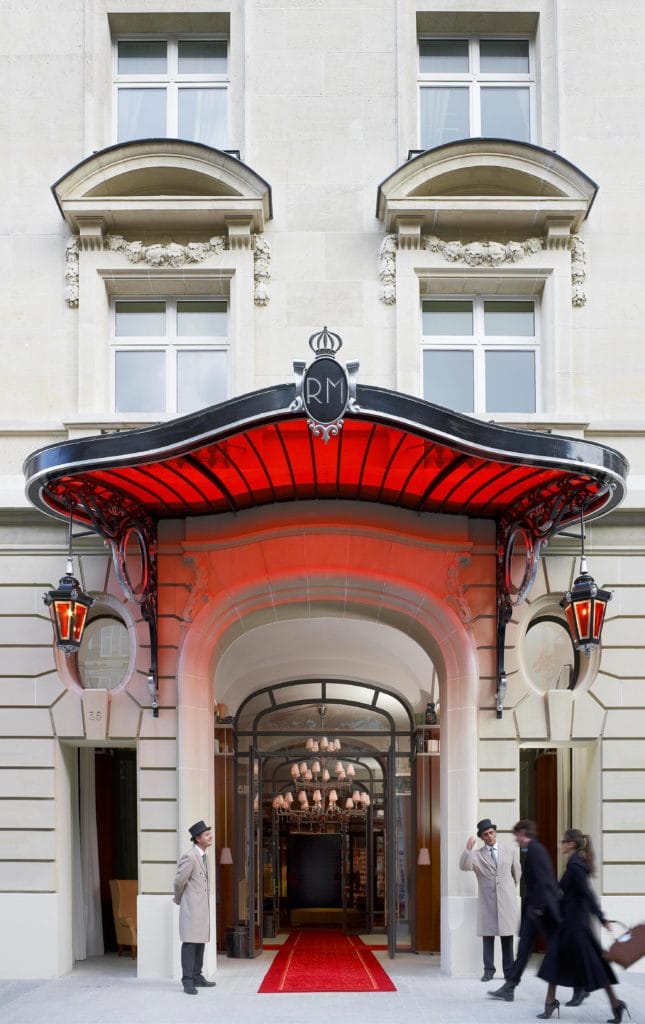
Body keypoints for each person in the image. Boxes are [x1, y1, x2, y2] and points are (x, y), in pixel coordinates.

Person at [535, 829, 626, 1022]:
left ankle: (616, 1004)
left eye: (563, 841)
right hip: (569, 922)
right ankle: (550, 1001)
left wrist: (602, 918)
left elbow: (587, 893)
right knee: (555, 959)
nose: (561, 845)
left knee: (594, 966)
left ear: (571, 844)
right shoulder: (574, 862)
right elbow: (569, 894)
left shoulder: (575, 864)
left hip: (576, 926)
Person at [488, 819, 561, 1002]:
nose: (516, 839)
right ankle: (510, 987)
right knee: (523, 950)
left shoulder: (536, 851)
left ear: (523, 833)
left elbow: (545, 882)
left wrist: (540, 909)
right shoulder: (533, 850)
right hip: (535, 911)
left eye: (517, 835)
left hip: (541, 911)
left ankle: (581, 985)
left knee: (558, 949)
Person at [459, 818, 521, 981]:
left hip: (506, 901)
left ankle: (509, 972)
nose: (490, 836)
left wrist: (507, 888)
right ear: (482, 837)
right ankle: (488, 971)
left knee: (507, 937)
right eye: (486, 834)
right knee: (488, 938)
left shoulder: (510, 850)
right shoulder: (476, 855)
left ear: (495, 833)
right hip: (487, 901)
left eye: (491, 832)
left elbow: (517, 873)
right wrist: (467, 849)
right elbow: (463, 866)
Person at [173, 820, 216, 995]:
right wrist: (179, 899)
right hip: (191, 909)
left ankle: (197, 977)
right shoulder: (190, 857)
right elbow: (178, 881)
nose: (210, 836)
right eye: (206, 834)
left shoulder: (205, 856)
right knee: (190, 943)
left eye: (209, 833)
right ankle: (187, 981)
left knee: (200, 943)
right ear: (198, 839)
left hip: (202, 909)